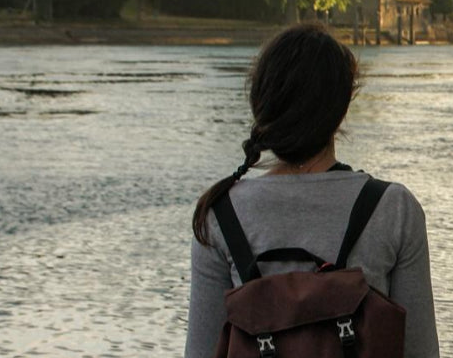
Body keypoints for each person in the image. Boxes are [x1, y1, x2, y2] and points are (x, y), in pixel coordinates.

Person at [184, 23, 439, 358]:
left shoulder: (220, 216)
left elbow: (200, 352)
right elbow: (420, 352)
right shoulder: (393, 209)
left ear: (261, 104)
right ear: (342, 108)